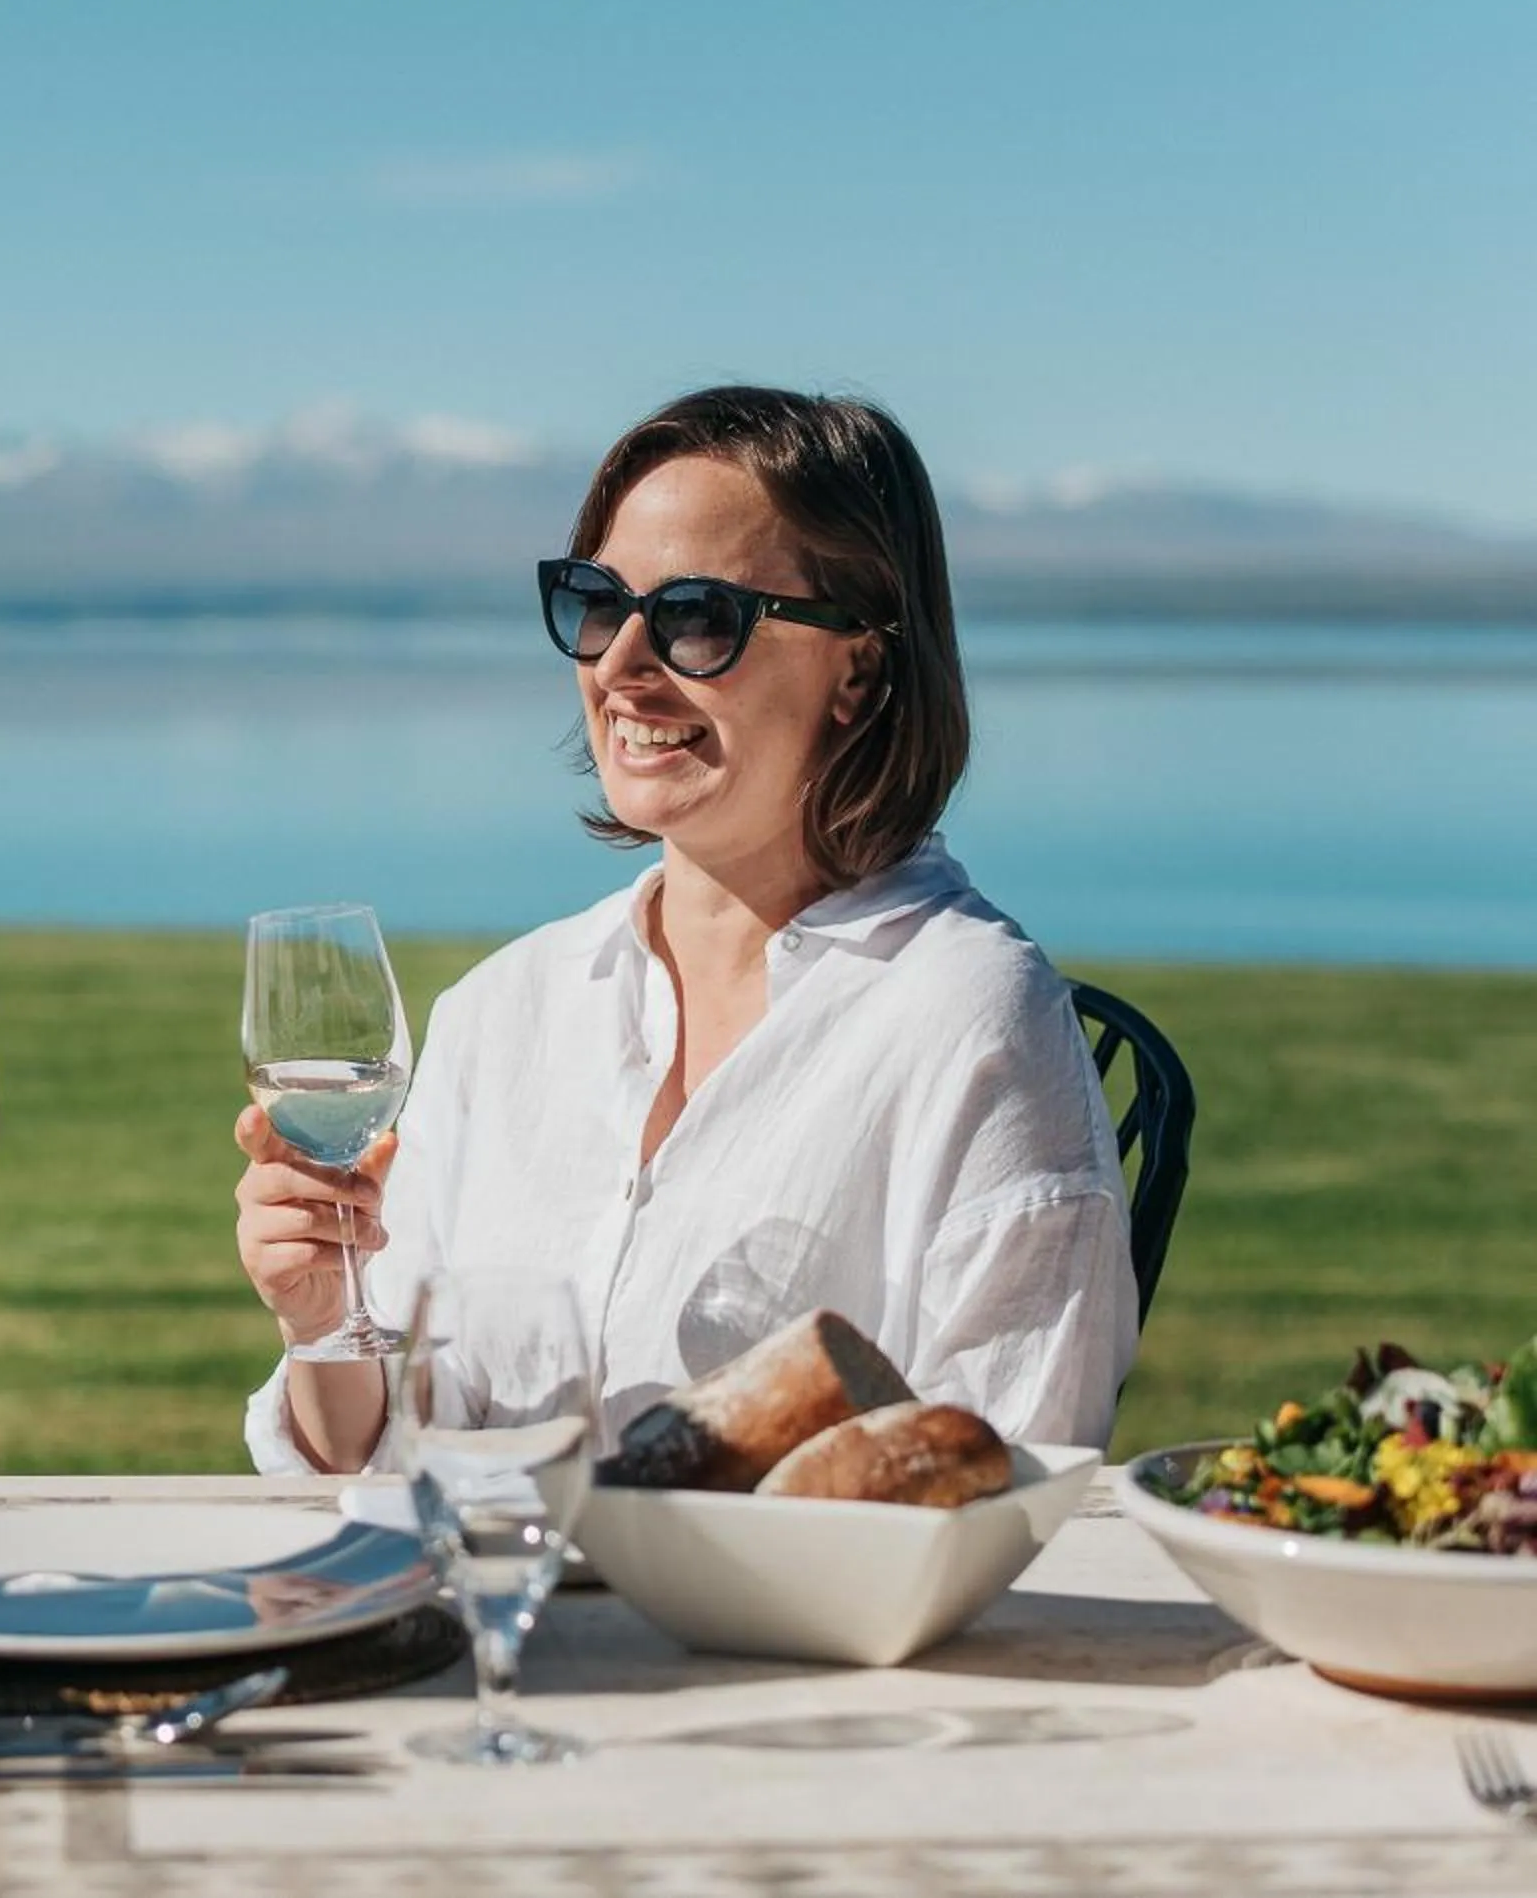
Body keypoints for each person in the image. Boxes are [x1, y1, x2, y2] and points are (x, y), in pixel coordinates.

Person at [234, 386, 1136, 1475]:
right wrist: (323, 1317)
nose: (619, 664)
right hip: (492, 1588)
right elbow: (391, 1458)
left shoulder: (970, 1020)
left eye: (698, 616)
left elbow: (1006, 1487)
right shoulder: (503, 1011)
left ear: (858, 669)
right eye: (595, 603)